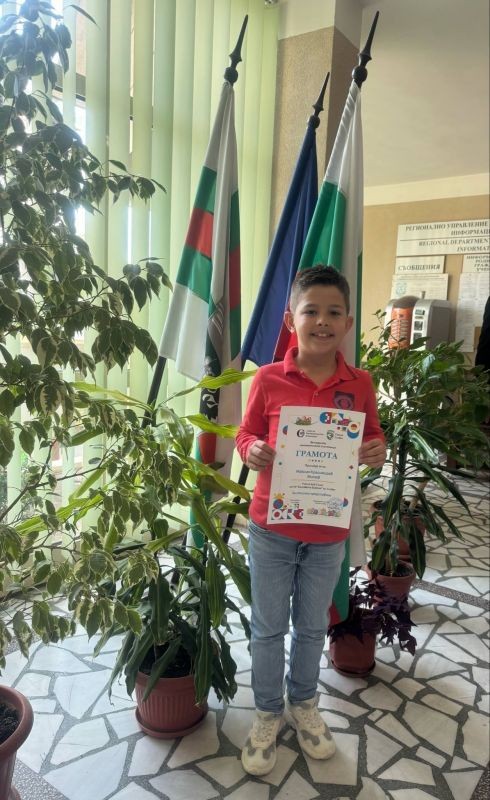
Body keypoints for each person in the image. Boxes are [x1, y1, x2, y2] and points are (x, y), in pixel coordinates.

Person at [235, 265, 386, 776]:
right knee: (267, 627)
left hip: (327, 531)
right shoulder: (267, 378)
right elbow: (245, 434)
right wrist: (252, 449)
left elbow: (373, 437)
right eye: (311, 310)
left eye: (334, 312)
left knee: (310, 627)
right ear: (290, 319)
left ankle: (303, 703)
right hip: (271, 528)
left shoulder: (360, 382)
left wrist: (376, 450)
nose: (322, 321)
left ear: (347, 323)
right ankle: (266, 712)